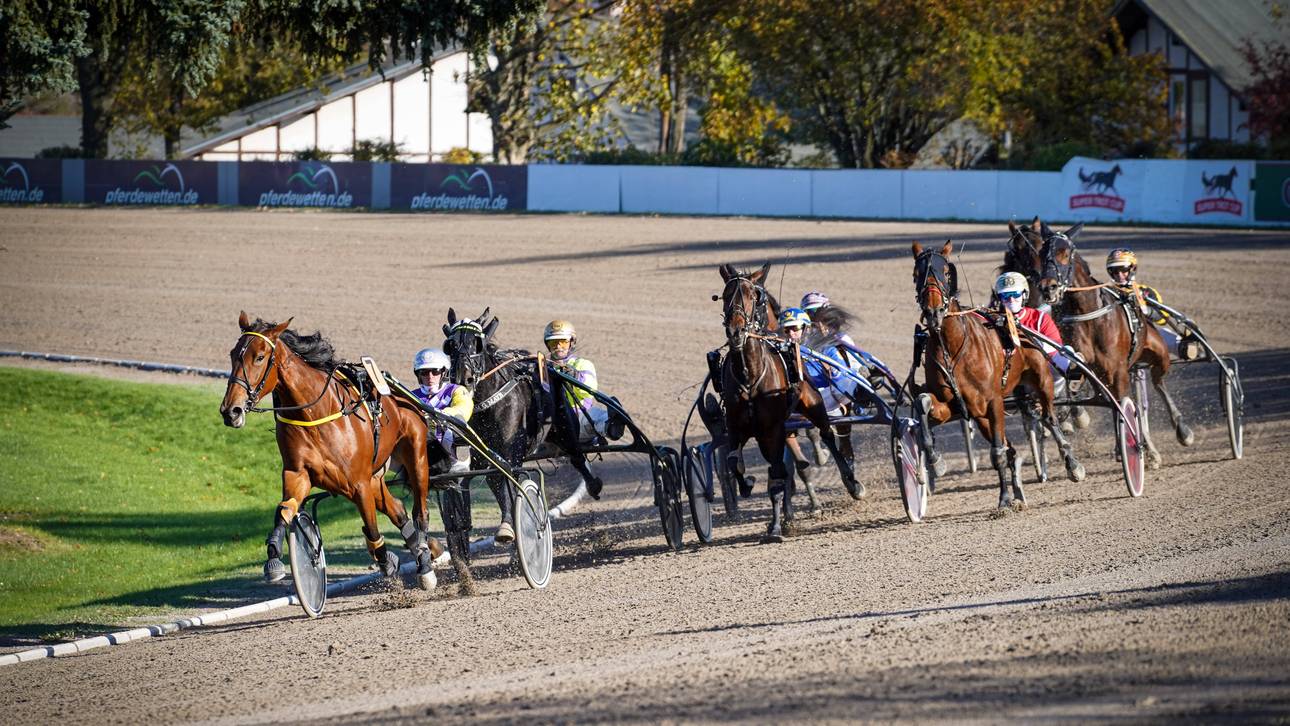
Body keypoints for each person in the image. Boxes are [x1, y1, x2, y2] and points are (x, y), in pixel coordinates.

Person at [1105, 248, 1199, 360]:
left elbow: (1163, 319)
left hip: (1146, 333)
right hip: (1115, 337)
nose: (1119, 275)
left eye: (1123, 269)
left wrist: (1146, 311)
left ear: (1133, 268)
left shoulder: (1145, 291)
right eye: (1115, 271)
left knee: (1184, 347)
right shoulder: (1105, 293)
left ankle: (1197, 356)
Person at [543, 320, 625, 443]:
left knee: (596, 415)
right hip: (549, 422)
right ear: (548, 345)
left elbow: (589, 391)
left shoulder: (582, 364)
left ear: (572, 343)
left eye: (563, 342)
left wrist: (575, 376)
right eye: (554, 343)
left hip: (577, 419)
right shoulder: (541, 367)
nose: (559, 347)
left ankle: (611, 426)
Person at [993, 272, 1077, 390]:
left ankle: (1068, 391)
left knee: (1068, 352)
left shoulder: (1040, 318)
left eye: (1015, 294)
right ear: (999, 298)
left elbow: (1055, 349)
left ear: (1024, 295)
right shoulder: (992, 320)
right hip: (1007, 372)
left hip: (1042, 370)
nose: (1011, 299)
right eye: (1005, 296)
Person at [411, 347, 474, 473]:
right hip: (420, 446)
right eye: (424, 372)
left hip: (448, 444)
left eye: (435, 371)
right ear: (418, 375)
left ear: (443, 373)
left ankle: (460, 461)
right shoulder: (411, 395)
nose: (430, 377)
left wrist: (442, 413)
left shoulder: (456, 390)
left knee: (458, 419)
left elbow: (464, 407)